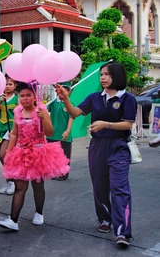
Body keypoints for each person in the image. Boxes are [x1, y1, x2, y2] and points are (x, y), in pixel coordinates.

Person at [55, 62, 136, 247]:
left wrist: (105, 124)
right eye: (101, 74)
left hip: (118, 147)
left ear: (117, 76)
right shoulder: (94, 97)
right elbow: (75, 112)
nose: (103, 78)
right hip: (97, 146)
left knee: (119, 189)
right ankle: (104, 219)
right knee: (99, 187)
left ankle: (122, 232)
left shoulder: (127, 98)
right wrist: (66, 99)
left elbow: (128, 124)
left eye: (107, 74)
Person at [0, 82, 69, 232]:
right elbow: (15, 134)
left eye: (28, 95)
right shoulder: (18, 112)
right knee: (19, 187)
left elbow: (50, 133)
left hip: (38, 153)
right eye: (22, 96)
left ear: (34, 96)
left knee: (38, 186)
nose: (24, 99)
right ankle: (13, 220)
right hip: (21, 153)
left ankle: (39, 213)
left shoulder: (41, 110)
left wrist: (43, 118)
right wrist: (9, 152)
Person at [0, 76, 18, 195]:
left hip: (11, 129)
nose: (7, 86)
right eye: (6, 84)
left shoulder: (17, 98)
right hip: (0, 128)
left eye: (10, 84)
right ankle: (9, 180)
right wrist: (1, 101)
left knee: (4, 155)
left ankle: (13, 182)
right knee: (3, 158)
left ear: (15, 85)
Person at [47, 85, 74, 181]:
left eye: (65, 91)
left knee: (65, 155)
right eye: (60, 90)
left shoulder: (70, 104)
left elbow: (71, 118)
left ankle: (64, 174)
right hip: (52, 134)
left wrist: (67, 131)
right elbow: (46, 110)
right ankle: (54, 173)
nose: (62, 92)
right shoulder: (53, 103)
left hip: (64, 134)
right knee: (52, 155)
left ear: (69, 93)